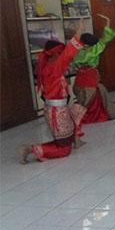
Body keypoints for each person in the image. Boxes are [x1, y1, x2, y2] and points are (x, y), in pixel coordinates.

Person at [20, 20, 92, 163]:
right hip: (56, 111)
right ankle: (31, 149)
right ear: (55, 54)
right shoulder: (54, 67)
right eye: (60, 53)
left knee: (76, 115)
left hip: (57, 108)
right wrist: (78, 32)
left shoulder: (49, 66)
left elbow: (66, 56)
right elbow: (68, 54)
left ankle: (75, 141)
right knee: (64, 149)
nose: (62, 56)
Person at [71, 14, 115, 124]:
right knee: (99, 93)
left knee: (84, 97)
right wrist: (108, 21)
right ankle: (106, 114)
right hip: (90, 80)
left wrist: (80, 26)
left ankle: (76, 116)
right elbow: (105, 39)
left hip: (79, 80)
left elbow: (75, 40)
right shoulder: (93, 50)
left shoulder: (77, 51)